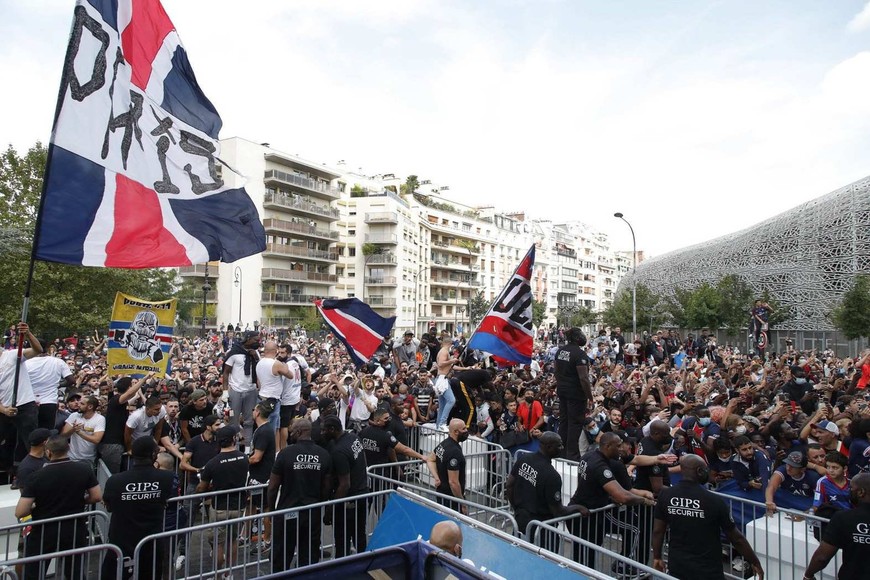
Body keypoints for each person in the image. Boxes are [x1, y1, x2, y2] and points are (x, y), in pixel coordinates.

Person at [652, 454, 764, 580]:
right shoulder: (714, 501)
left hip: (677, 566)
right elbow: (736, 538)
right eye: (706, 469)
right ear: (700, 471)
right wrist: (755, 561)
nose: (708, 472)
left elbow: (658, 531)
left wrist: (657, 557)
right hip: (707, 569)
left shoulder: (666, 496)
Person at [16, 435, 102, 580]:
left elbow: (21, 511)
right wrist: (80, 501)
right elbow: (96, 496)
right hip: (74, 527)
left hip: (44, 529)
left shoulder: (36, 477)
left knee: (34, 572)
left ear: (48, 452)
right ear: (68, 449)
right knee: (75, 571)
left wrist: (38, 506)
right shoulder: (83, 469)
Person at [567, 432, 654, 568]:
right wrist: (643, 501)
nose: (621, 448)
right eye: (618, 445)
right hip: (586, 518)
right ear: (607, 446)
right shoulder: (600, 466)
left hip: (583, 512)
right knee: (584, 561)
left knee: (583, 558)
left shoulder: (589, 456)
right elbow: (623, 496)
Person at [101, 437, 175, 580]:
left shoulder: (115, 481)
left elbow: (109, 506)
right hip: (150, 540)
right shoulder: (167, 477)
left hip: (122, 539)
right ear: (154, 454)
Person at [268, 418, 332, 569]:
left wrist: (272, 510)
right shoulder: (323, 454)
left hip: (287, 512)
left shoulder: (285, 454)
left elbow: (272, 487)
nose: (290, 435)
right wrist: (320, 504)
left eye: (291, 432)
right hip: (311, 513)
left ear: (298, 432)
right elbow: (327, 487)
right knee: (309, 558)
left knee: (281, 557)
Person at [506, 432, 586, 537]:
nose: (562, 448)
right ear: (549, 447)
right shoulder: (552, 476)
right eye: (559, 445)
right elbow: (558, 511)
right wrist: (578, 508)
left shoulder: (524, 459)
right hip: (542, 529)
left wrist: (516, 508)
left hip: (521, 519)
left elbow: (509, 485)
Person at [197, 425, 249, 576]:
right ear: (233, 439)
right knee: (232, 541)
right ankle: (230, 574)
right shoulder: (243, 458)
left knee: (218, 543)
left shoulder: (213, 462)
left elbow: (201, 487)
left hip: (219, 506)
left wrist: (207, 486)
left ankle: (218, 576)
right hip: (238, 506)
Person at [804, 472, 870, 580]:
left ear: (861, 492)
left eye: (851, 488)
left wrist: (808, 575)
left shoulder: (844, 518)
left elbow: (822, 557)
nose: (849, 491)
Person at [321, 415, 369, 557]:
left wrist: (330, 508)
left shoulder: (339, 452)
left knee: (342, 539)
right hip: (362, 493)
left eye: (324, 430)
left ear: (332, 429)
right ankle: (363, 562)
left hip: (348, 501)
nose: (322, 433)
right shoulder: (354, 437)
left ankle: (342, 567)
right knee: (359, 534)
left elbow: (344, 484)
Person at [0, 322, 42, 470]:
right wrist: (4, 410)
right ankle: (7, 470)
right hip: (4, 409)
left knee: (31, 442)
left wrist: (28, 333)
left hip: (25, 405)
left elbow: (37, 349)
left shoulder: (11, 355)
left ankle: (31, 473)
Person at [554, 327, 593, 460]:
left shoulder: (560, 351)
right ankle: (572, 456)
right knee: (575, 424)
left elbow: (556, 372)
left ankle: (561, 452)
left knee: (564, 422)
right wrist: (590, 397)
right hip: (576, 394)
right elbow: (584, 378)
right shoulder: (579, 354)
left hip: (563, 392)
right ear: (577, 337)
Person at [100, 375, 150, 474]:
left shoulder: (116, 399)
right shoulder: (116, 400)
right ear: (128, 387)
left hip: (117, 445)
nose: (135, 386)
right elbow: (130, 393)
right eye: (133, 384)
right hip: (113, 446)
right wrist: (144, 379)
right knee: (112, 476)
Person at [222, 331, 261, 447]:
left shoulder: (255, 353)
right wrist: (225, 391)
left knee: (249, 421)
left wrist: (256, 357)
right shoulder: (233, 352)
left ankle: (248, 447)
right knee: (233, 421)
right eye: (255, 340)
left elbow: (259, 369)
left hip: (251, 390)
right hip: (236, 390)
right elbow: (225, 373)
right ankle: (234, 447)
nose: (257, 342)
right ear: (248, 339)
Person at [256, 340, 296, 449]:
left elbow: (259, 381)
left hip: (262, 396)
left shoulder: (259, 363)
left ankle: (276, 450)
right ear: (275, 351)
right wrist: (285, 365)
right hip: (272, 399)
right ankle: (271, 451)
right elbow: (290, 375)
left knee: (273, 427)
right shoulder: (276, 363)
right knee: (272, 428)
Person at [426, 418, 469, 515]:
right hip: (451, 499)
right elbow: (453, 482)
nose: (466, 431)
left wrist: (437, 478)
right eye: (463, 429)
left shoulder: (444, 443)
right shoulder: (454, 452)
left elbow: (430, 459)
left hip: (441, 494)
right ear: (456, 432)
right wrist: (462, 503)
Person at [26, 346, 73, 430]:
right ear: (47, 349)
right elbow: (71, 380)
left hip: (29, 402)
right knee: (46, 433)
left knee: (28, 433)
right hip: (49, 403)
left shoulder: (25, 362)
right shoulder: (58, 362)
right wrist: (58, 385)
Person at [766, 449, 821, 514]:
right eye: (787, 464)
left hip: (806, 508)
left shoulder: (813, 477)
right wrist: (769, 502)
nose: (788, 468)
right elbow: (771, 486)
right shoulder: (783, 470)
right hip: (787, 508)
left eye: (793, 466)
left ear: (802, 469)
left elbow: (818, 502)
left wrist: (803, 516)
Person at [61, 395, 105, 466]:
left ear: (90, 407)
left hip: (89, 459)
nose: (78, 404)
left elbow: (96, 439)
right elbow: (63, 436)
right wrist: (73, 429)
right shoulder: (74, 416)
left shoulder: (99, 419)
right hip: (71, 457)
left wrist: (80, 432)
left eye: (82, 404)